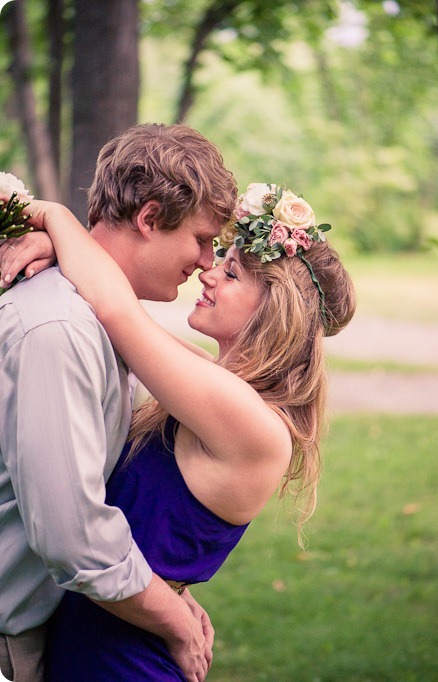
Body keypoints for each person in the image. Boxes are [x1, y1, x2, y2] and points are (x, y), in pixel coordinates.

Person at [1, 182, 356, 680]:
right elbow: (118, 313)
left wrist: (52, 216)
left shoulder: (250, 421)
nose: (208, 274)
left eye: (230, 272)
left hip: (123, 659)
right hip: (102, 633)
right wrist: (59, 249)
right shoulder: (225, 393)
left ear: (272, 310)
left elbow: (118, 312)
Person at [0, 122, 237, 682]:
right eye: (202, 239)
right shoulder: (58, 328)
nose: (208, 261)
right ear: (150, 218)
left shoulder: (94, 315)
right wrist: (171, 619)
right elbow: (72, 535)